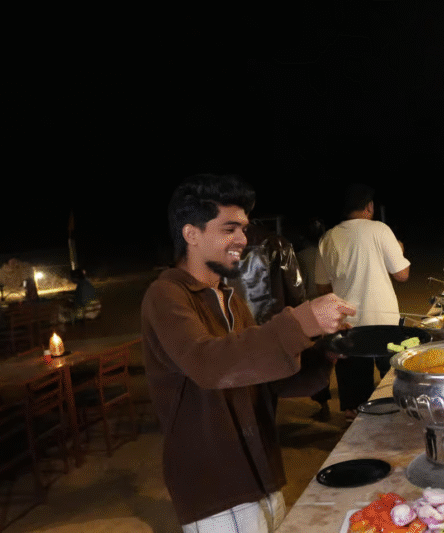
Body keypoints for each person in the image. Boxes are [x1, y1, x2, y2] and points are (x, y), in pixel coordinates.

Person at [141, 174, 356, 532]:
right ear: (191, 234)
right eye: (229, 228)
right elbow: (207, 364)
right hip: (217, 482)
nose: (243, 238)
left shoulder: (230, 298)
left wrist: (324, 355)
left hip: (260, 470)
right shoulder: (166, 296)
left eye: (244, 228)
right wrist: (299, 322)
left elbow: (263, 383)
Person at [316, 183, 410, 420]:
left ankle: (355, 430)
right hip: (385, 321)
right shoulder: (380, 230)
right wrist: (399, 249)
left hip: (350, 326)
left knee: (354, 400)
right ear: (369, 207)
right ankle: (395, 424)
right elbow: (402, 274)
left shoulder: (328, 239)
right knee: (394, 383)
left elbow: (322, 288)